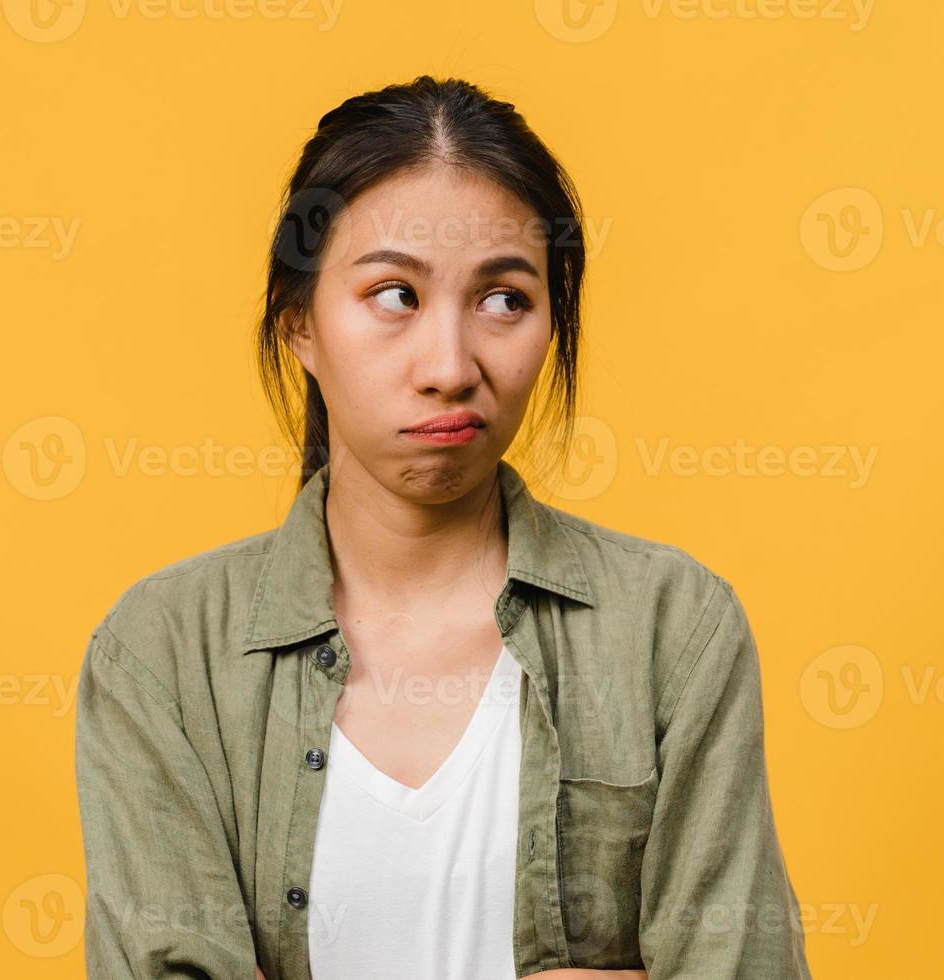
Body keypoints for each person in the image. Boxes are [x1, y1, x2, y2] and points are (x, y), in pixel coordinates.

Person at [74, 75, 812, 980]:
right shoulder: (164, 653)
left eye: (504, 299)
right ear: (299, 321)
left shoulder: (671, 629)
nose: (451, 366)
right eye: (395, 294)